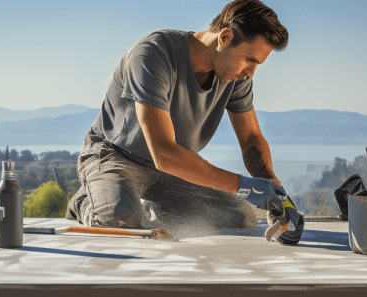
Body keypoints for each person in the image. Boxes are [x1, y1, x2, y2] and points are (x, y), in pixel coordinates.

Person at [66, 0, 302, 244]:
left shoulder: (235, 77)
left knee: (239, 216)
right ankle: (88, 200)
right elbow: (164, 152)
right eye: (250, 60)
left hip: (172, 171)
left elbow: (251, 137)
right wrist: (246, 187)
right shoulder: (153, 55)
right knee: (118, 218)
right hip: (116, 158)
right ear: (225, 37)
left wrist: (276, 192)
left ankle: (141, 206)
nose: (251, 72)